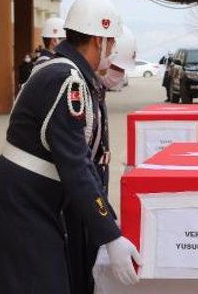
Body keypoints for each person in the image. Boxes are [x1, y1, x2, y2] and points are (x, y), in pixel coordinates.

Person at [0, 0, 141, 293]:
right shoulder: (66, 80)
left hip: (30, 206)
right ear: (99, 40)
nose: (111, 52)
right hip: (19, 212)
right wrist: (110, 234)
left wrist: (107, 221)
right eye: (111, 44)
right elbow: (76, 165)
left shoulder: (66, 74)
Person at [67, 26, 136, 294]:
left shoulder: (92, 87)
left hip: (89, 190)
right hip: (74, 193)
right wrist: (108, 228)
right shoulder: (72, 83)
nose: (117, 75)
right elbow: (76, 161)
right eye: (115, 67)